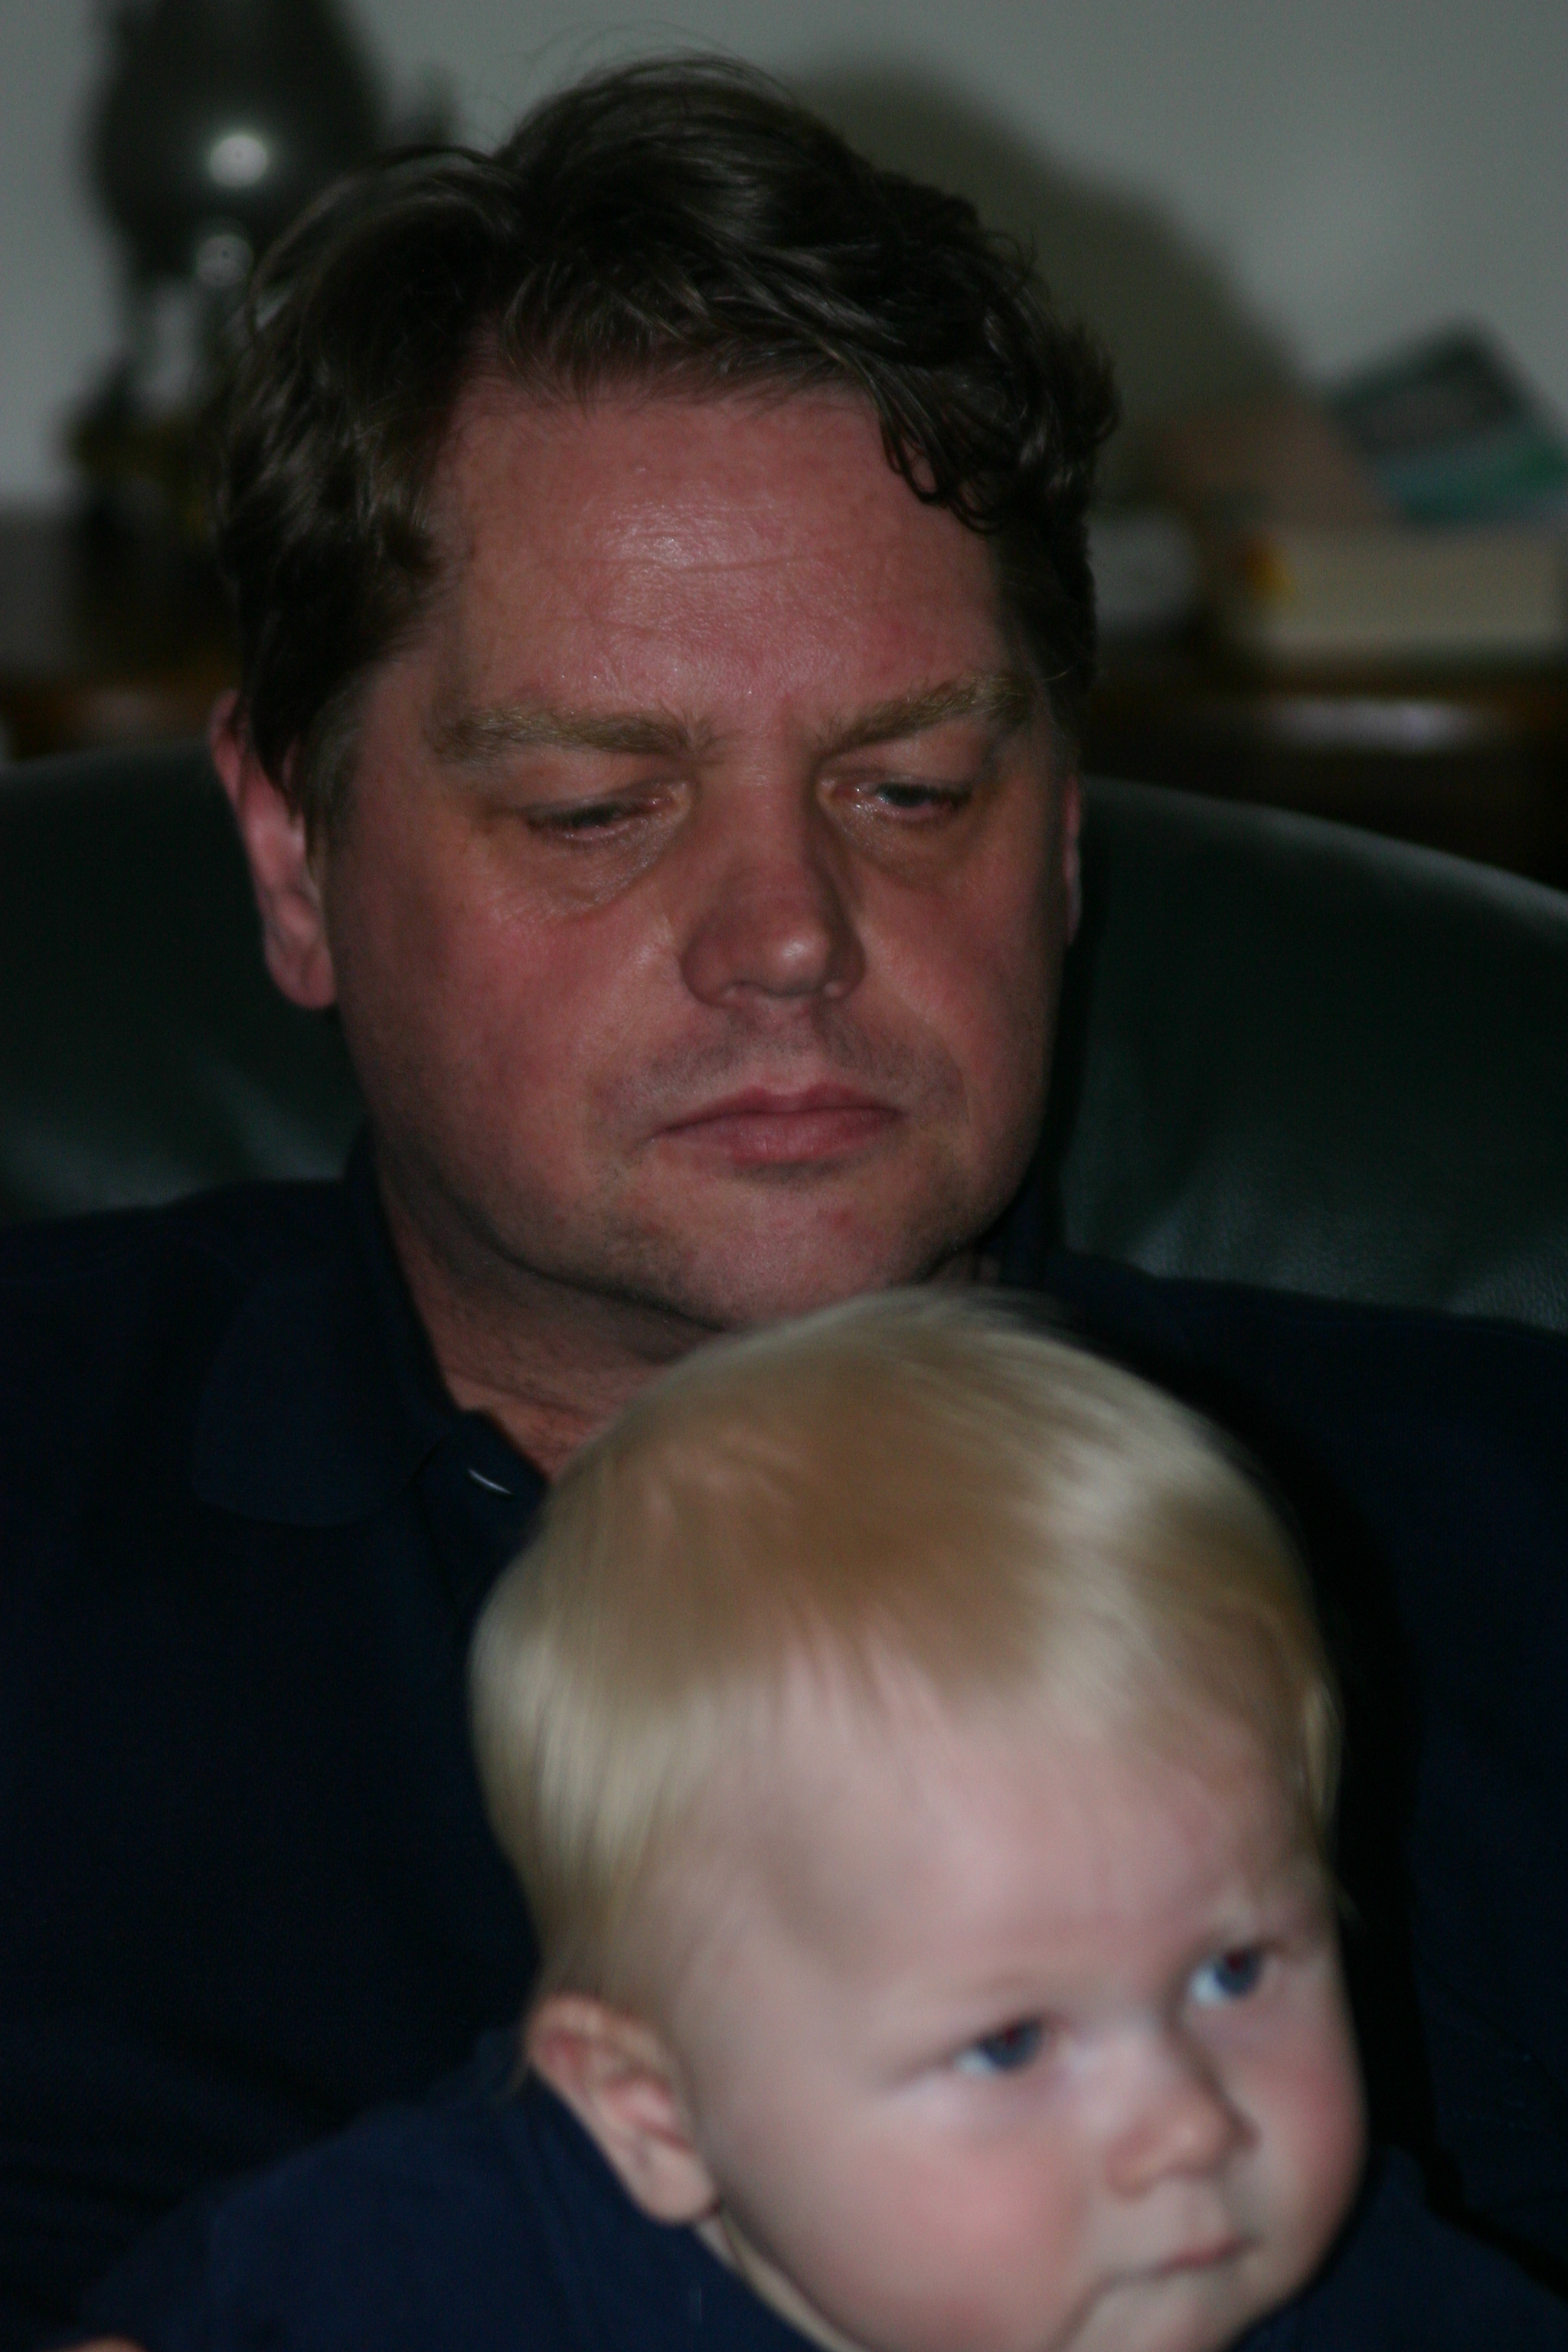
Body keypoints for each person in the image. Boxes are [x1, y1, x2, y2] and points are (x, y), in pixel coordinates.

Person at [2, 52, 1566, 2350]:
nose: (788, 937)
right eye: (594, 807)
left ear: (1058, 832)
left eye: (910, 787)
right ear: (291, 853)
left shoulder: (1507, 1551)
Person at [80, 1297, 1567, 2349]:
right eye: (1010, 2043)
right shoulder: (431, 2267)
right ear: (655, 2114)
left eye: (1234, 1971)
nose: (1187, 2124)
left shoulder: (1356, 2290)